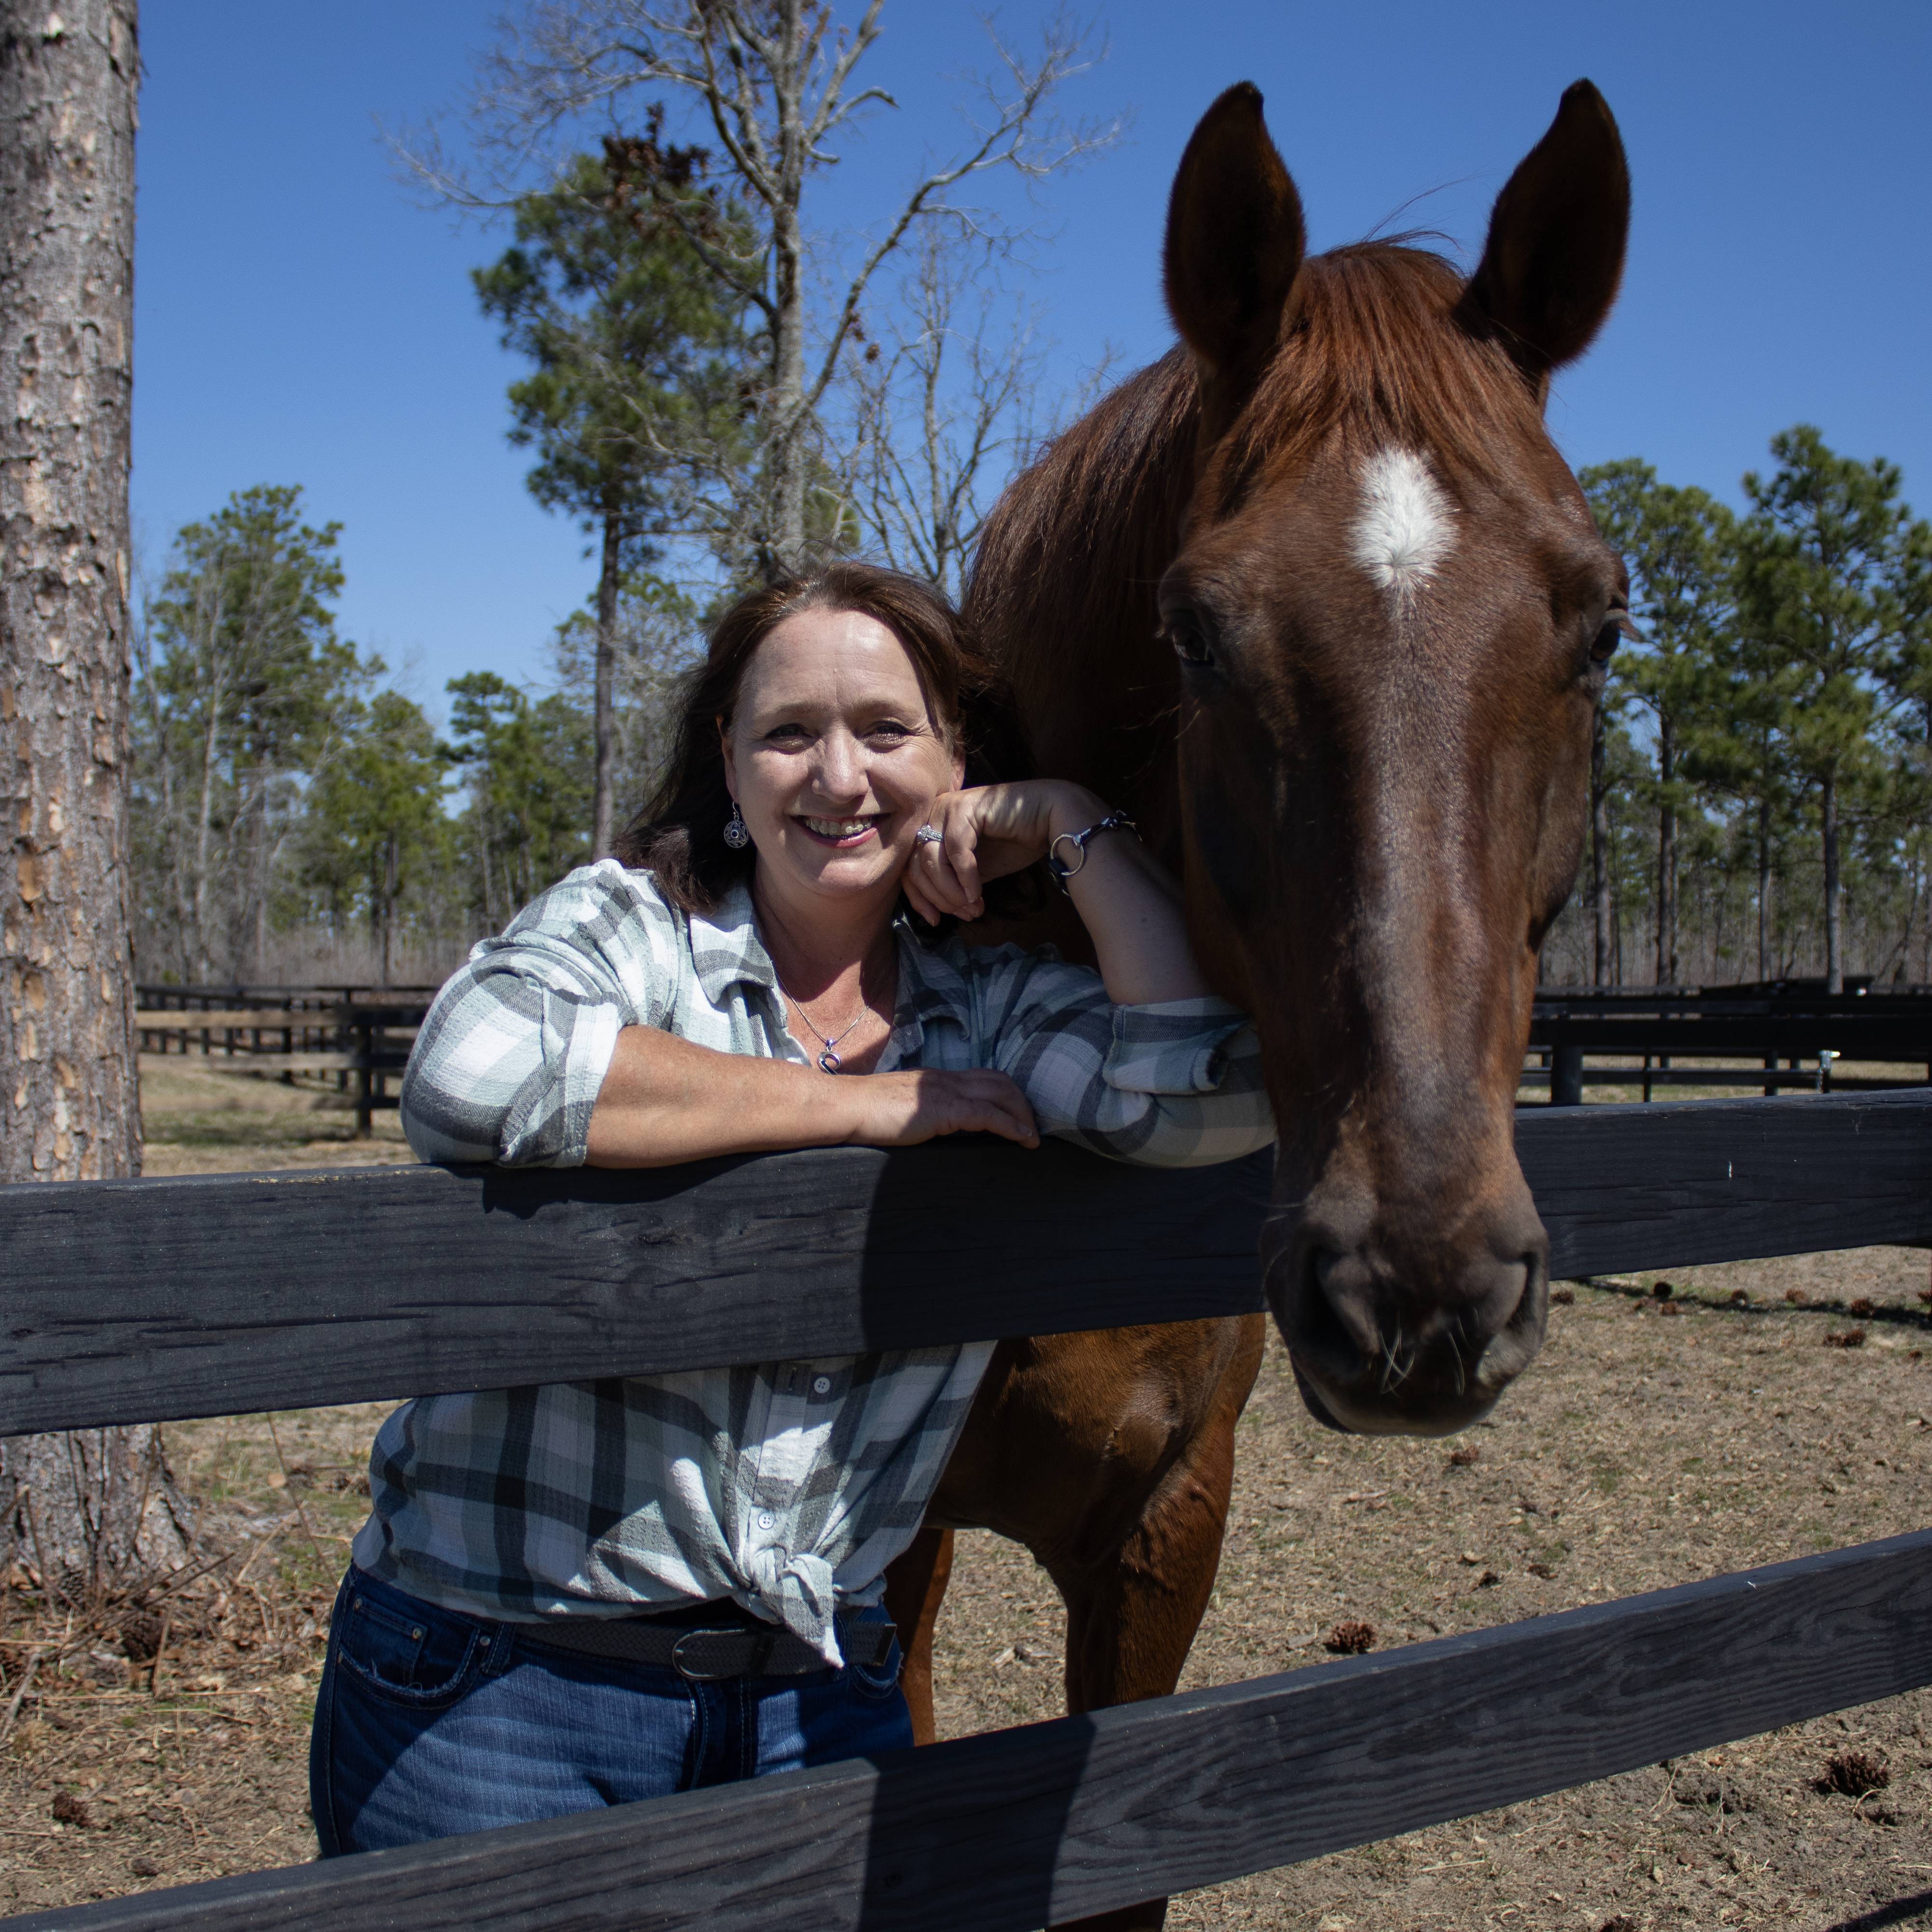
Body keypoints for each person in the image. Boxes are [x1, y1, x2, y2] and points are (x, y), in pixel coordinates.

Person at [311, 561, 1273, 1855]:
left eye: (887, 730)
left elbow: (1210, 1092)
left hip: (814, 1694)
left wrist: (1072, 823)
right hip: (505, 1684)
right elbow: (471, 1070)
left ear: (957, 758)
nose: (838, 776)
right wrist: (863, 1105)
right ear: (728, 760)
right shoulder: (634, 928)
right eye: (788, 733)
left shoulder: (985, 1009)